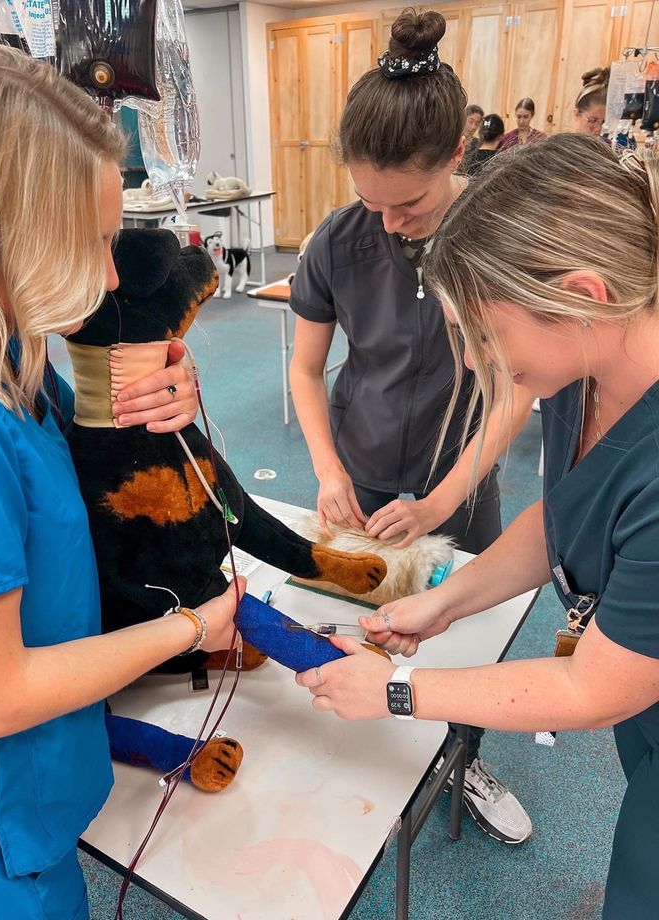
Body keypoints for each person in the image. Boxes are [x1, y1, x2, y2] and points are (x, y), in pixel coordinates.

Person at [297, 133, 659, 918]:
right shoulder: (585, 368)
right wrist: (443, 600)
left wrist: (396, 691)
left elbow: (592, 686)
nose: (470, 363)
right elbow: (559, 517)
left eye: (485, 337)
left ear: (583, 296)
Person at [0, 41, 241, 919]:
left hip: (39, 796)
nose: (108, 276)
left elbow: (93, 444)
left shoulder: (8, 355)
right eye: (92, 241)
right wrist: (189, 629)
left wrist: (170, 391)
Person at [289, 8, 533, 843]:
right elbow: (302, 368)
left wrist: (440, 504)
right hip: (359, 467)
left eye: (411, 202)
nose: (389, 222)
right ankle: (360, 757)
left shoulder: (497, 239)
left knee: (463, 639)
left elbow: (514, 391)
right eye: (370, 201)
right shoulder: (338, 241)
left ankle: (464, 759)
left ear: (458, 153)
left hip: (459, 479)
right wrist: (327, 469)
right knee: (359, 620)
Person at [573, 67, 609, 136]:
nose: (599, 129)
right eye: (593, 121)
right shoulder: (559, 145)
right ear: (576, 114)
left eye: (604, 123)